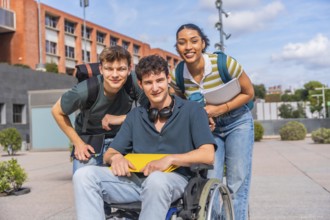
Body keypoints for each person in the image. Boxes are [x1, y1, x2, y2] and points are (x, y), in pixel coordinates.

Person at [72, 55, 216, 220]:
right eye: (148, 83)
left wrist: (170, 159)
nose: (155, 88)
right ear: (140, 84)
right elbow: (109, 153)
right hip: (135, 182)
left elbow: (208, 154)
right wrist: (117, 158)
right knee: (84, 175)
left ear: (168, 79)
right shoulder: (135, 116)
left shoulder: (192, 110)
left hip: (176, 180)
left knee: (156, 180)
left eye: (159, 80)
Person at [170, 23, 255, 220]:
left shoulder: (224, 64)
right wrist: (200, 118)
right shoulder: (178, 74)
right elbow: (182, 106)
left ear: (203, 44)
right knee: (210, 184)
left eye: (194, 41)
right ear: (177, 47)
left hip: (238, 122)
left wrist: (220, 109)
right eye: (182, 43)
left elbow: (249, 93)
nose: (188, 47)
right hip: (210, 130)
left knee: (237, 182)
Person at [52, 45, 144, 174]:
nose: (115, 75)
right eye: (109, 69)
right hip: (90, 142)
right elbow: (57, 111)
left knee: (129, 184)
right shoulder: (85, 90)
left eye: (121, 69)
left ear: (129, 69)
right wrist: (77, 142)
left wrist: (121, 118)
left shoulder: (134, 83)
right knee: (82, 178)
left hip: (121, 140)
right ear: (101, 69)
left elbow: (151, 110)